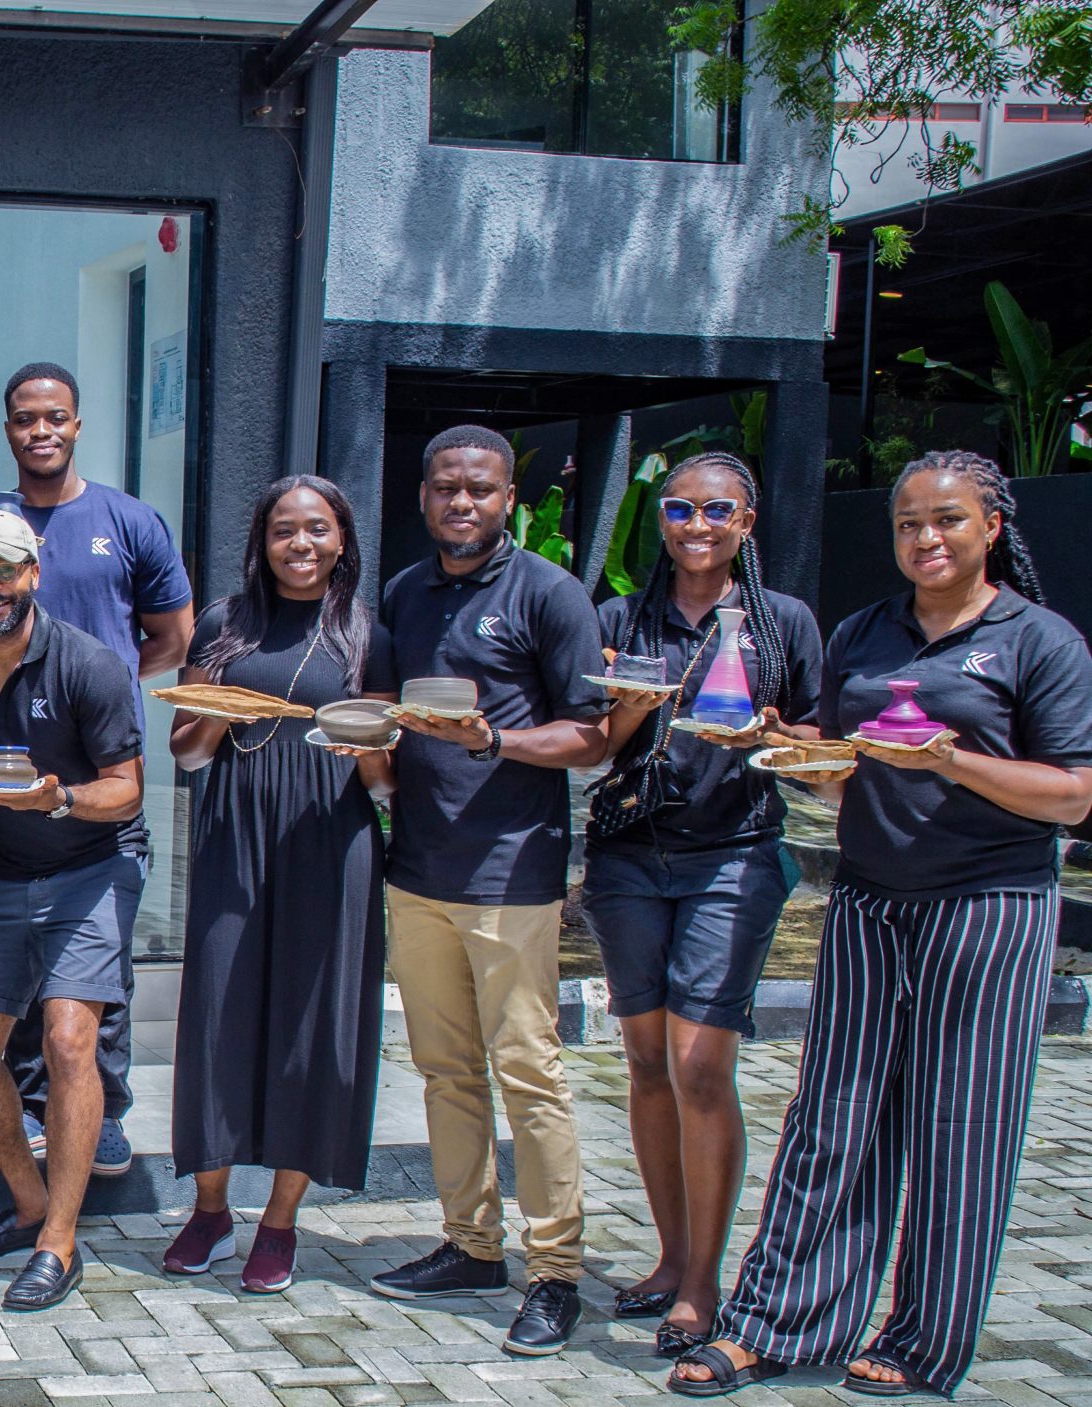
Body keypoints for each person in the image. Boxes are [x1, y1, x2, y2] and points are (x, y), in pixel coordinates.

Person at [672, 451, 1092, 1401]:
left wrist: (955, 761)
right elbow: (842, 763)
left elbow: (1071, 796)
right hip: (869, 897)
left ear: (990, 525)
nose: (925, 539)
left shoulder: (1039, 641)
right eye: (908, 524)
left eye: (946, 520)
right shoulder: (868, 631)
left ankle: (922, 1339)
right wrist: (778, 748)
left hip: (990, 907)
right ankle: (777, 1319)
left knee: (960, 1124)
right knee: (832, 1114)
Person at [368, 424, 610, 1358]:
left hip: (512, 874)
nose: (459, 503)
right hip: (420, 870)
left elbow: (589, 736)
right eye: (444, 488)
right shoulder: (406, 590)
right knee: (444, 1069)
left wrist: (493, 742)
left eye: (478, 489)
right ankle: (471, 1244)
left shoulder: (550, 594)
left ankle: (555, 1272)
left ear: (509, 497)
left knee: (529, 1071)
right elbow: (395, 720)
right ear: (424, 496)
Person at [581, 452, 821, 1359]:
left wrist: (775, 732)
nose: (695, 523)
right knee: (645, 1058)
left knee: (699, 1062)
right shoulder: (621, 618)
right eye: (679, 507)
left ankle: (707, 1280)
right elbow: (593, 746)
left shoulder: (778, 621)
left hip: (734, 854)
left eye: (717, 509)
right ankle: (671, 1254)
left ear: (746, 522)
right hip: (629, 855)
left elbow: (816, 737)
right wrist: (633, 705)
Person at [161, 475, 395, 1292]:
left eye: (317, 529)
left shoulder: (367, 634)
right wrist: (221, 708)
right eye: (284, 530)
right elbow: (186, 752)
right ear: (261, 541)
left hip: (330, 837)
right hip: (234, 832)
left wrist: (368, 749)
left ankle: (281, 1220)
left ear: (342, 539)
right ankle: (211, 1207)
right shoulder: (225, 623)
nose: (301, 544)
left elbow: (389, 782)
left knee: (310, 1022)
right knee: (219, 1009)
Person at [0, 507, 146, 1312]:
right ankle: (27, 1202)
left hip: (92, 862)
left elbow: (125, 787)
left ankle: (60, 1239)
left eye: (3, 570)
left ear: (33, 573)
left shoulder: (88, 663)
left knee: (66, 1037)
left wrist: (59, 799)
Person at [0, 363, 193, 1180]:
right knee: (20, 962)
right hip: (5, 784)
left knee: (96, 959)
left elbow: (173, 636)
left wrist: (93, 690)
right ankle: (34, 1108)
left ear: (78, 425)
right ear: (7, 428)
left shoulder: (129, 519)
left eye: (55, 417)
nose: (40, 430)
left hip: (106, 784)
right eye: (24, 418)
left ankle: (104, 1109)